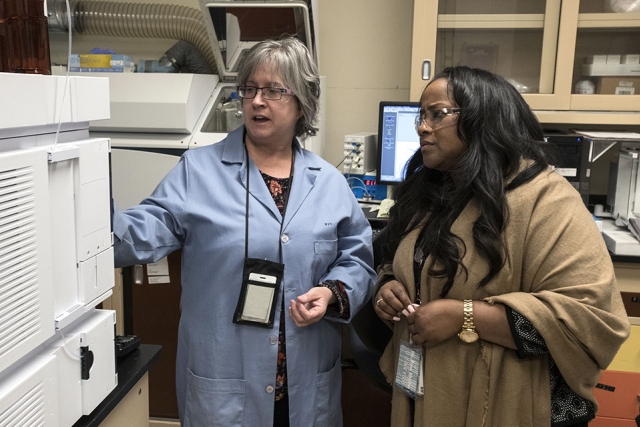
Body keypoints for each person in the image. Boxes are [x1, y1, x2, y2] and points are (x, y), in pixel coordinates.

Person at [112, 37, 376, 427]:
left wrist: (333, 292)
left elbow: (357, 260)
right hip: (226, 382)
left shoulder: (330, 183)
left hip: (305, 384)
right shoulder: (198, 170)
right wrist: (87, 203)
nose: (256, 101)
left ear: (302, 102)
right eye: (249, 89)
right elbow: (140, 233)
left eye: (273, 90)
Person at [373, 65, 630, 427]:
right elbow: (399, 260)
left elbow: (590, 321)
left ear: (483, 119)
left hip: (514, 403)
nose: (422, 127)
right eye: (421, 115)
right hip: (431, 394)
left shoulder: (547, 200)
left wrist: (464, 316)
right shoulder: (433, 193)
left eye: (437, 114)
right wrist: (388, 287)